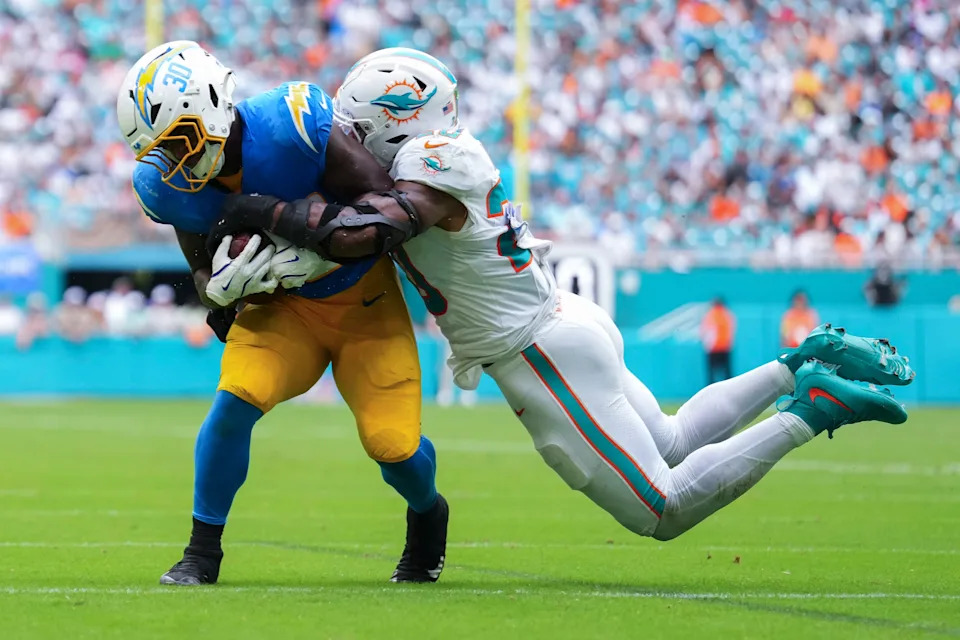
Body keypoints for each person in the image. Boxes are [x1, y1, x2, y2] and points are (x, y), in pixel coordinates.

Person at [216, 48, 916, 542]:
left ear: (395, 117)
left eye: (357, 122)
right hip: (563, 321)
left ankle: (812, 409)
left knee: (661, 510)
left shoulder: (431, 165)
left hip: (538, 352)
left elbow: (365, 231)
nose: (348, 136)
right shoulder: (438, 151)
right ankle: (801, 363)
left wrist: (261, 212)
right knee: (670, 441)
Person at [116, 41, 447, 585]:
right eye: (159, 152)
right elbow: (201, 269)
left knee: (394, 447)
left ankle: (429, 512)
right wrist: (218, 290)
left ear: (215, 104)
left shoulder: (292, 125)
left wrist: (310, 240)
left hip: (363, 299)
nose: (172, 163)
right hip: (283, 310)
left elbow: (387, 208)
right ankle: (202, 552)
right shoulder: (168, 186)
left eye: (178, 142)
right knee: (233, 404)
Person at [700, 297, 735, 384]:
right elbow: (731, 331)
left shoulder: (711, 315)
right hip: (725, 348)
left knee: (711, 375)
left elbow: (707, 332)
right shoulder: (727, 314)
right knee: (727, 375)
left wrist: (707, 346)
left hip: (713, 349)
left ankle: (711, 394)